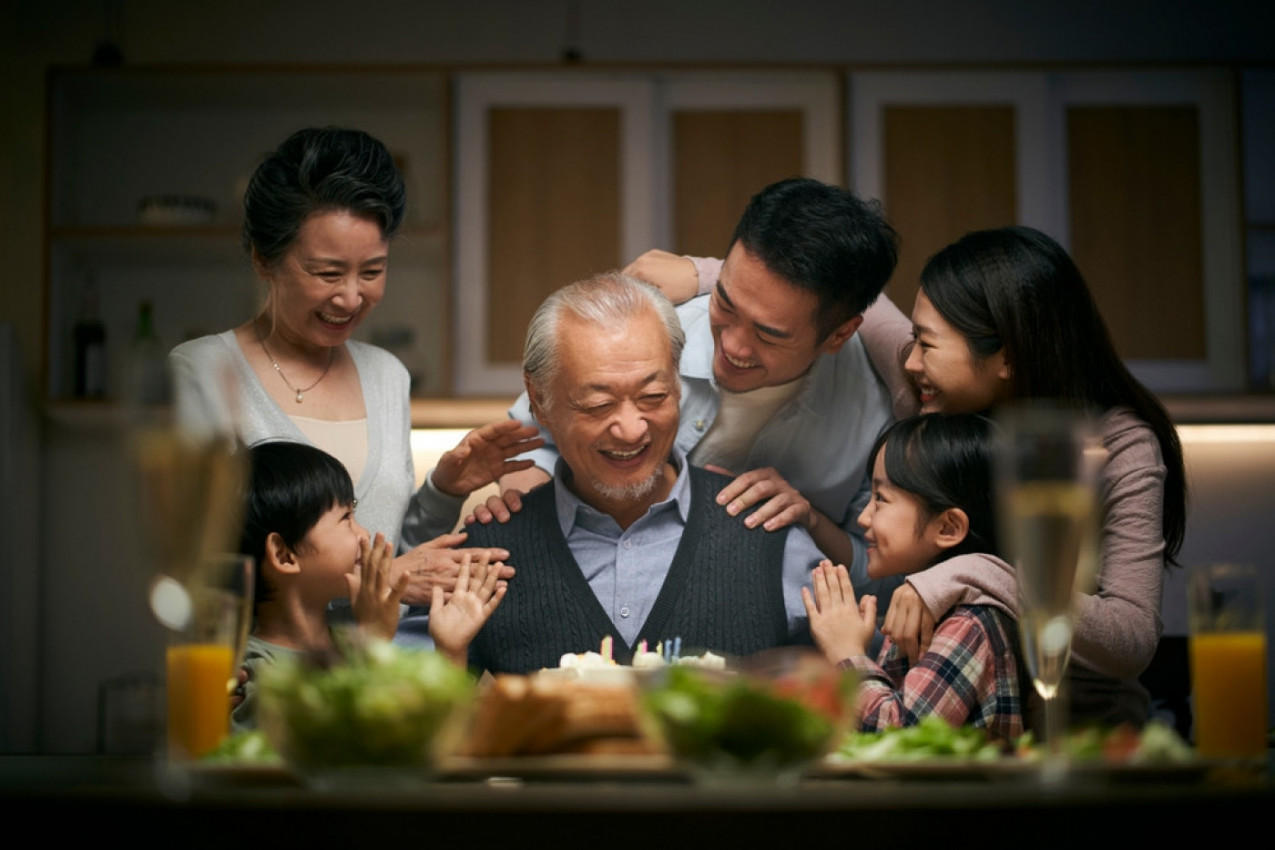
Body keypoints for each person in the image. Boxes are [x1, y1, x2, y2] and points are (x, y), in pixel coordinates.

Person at [169, 127, 536, 641]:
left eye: (372, 271)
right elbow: (200, 570)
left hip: (371, 681)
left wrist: (443, 490)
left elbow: (395, 553)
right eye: (326, 272)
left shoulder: (387, 375)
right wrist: (381, 579)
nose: (350, 297)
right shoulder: (201, 373)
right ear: (263, 260)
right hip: (262, 689)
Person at [495, 178, 903, 602]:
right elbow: (527, 436)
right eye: (724, 304)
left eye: (769, 335)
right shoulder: (652, 328)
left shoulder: (876, 417)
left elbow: (881, 578)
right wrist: (533, 514)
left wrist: (812, 522)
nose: (732, 346)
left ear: (839, 335)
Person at [857, 225, 1187, 727]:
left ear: (1007, 355)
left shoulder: (1118, 445)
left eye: (926, 344)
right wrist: (711, 276)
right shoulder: (940, 413)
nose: (912, 362)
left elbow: (1131, 638)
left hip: (1087, 744)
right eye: (912, 341)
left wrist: (971, 574)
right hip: (974, 739)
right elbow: (852, 291)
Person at [421, 272, 827, 674]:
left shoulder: (766, 533)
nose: (631, 429)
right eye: (598, 405)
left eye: (653, 396)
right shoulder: (487, 555)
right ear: (539, 401)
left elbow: (858, 692)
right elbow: (414, 718)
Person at [231, 441, 506, 730]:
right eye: (346, 519)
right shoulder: (253, 669)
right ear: (284, 555)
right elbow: (335, 753)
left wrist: (451, 649)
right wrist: (372, 640)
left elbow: (426, 738)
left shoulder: (345, 643)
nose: (364, 533)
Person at [803, 414, 1023, 739]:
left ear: (947, 527)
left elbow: (902, 735)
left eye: (881, 499)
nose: (864, 517)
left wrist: (847, 652)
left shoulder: (969, 622)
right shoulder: (925, 606)